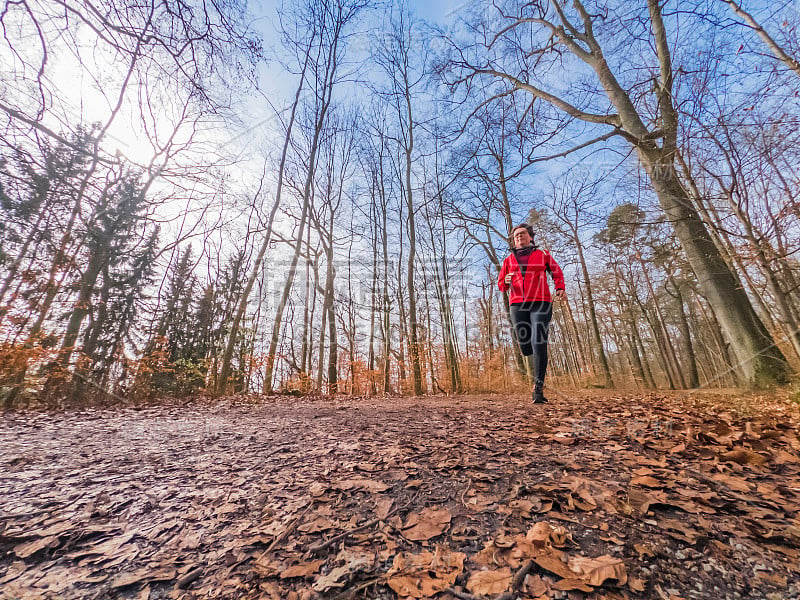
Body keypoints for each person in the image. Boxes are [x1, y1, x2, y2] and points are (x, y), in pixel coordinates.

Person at [497, 223, 566, 404]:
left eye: (522, 233)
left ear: (530, 236)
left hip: (540, 301)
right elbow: (501, 286)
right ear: (513, 240)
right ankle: (527, 349)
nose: (519, 236)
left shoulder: (542, 255)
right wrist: (505, 279)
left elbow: (556, 272)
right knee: (525, 344)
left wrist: (559, 288)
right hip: (517, 303)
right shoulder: (508, 261)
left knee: (539, 342)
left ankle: (538, 388)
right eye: (516, 235)